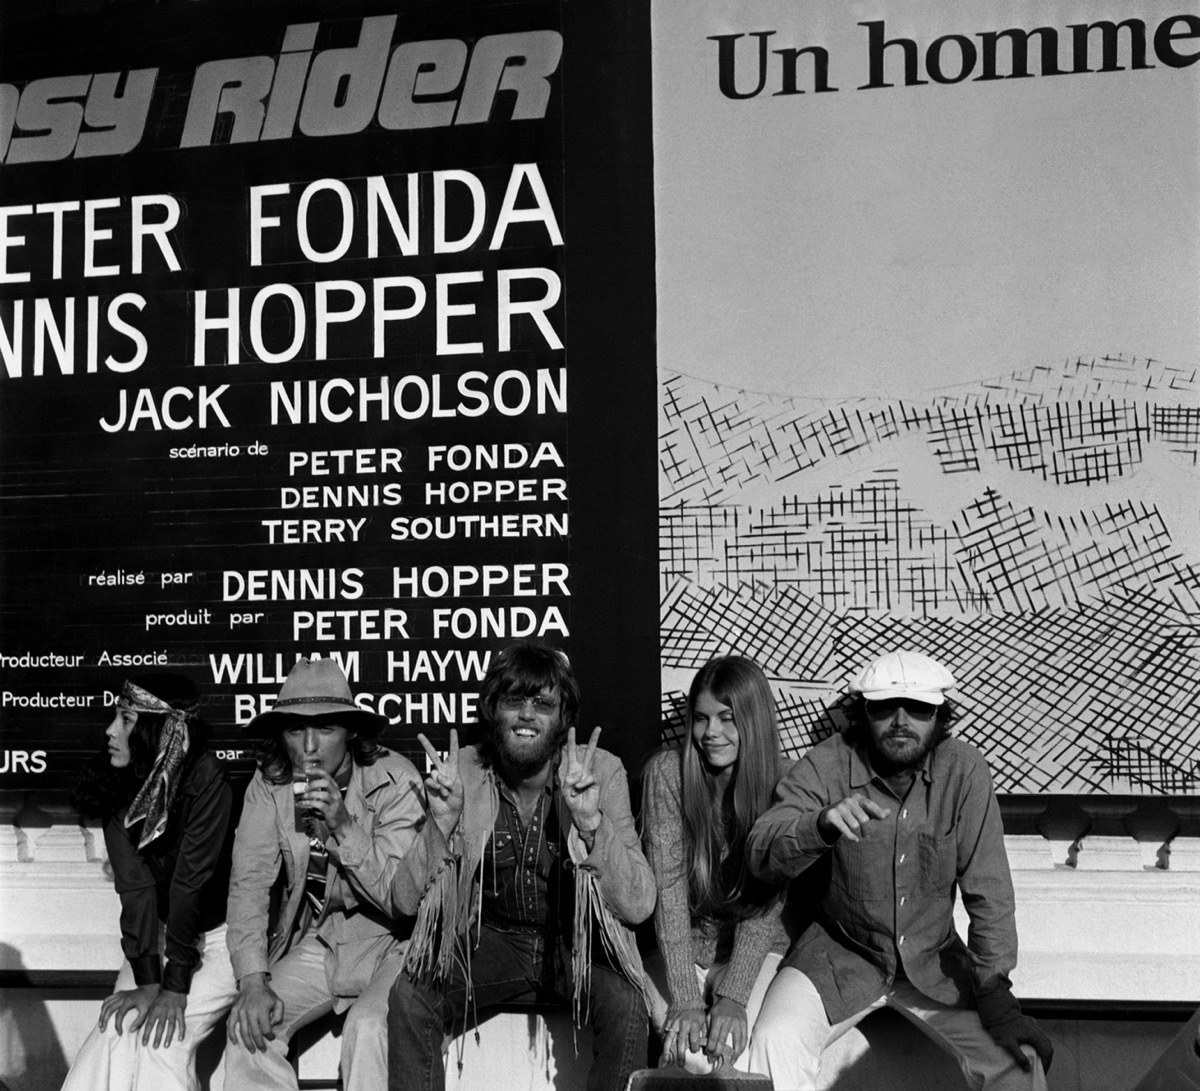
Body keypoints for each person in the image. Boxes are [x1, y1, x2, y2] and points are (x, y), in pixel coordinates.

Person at [744, 649, 1054, 1090]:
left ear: (940, 715)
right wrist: (821, 825)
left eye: (920, 709)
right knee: (775, 1040)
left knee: (1019, 1061)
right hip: (837, 956)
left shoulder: (963, 770)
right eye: (885, 707)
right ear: (863, 712)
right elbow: (761, 851)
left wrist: (994, 989)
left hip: (935, 965)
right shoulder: (827, 763)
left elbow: (989, 891)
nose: (901, 720)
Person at [386, 640, 656, 1091]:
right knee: (411, 996)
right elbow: (403, 900)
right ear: (494, 710)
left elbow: (639, 904)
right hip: (491, 944)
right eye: (515, 700)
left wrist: (591, 823)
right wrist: (441, 825)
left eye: (543, 703)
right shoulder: (465, 771)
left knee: (629, 1005)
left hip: (576, 948)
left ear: (563, 717)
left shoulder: (599, 772)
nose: (528, 715)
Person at [224, 657, 424, 1091]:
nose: (309, 746)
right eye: (295, 729)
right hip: (326, 937)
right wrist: (253, 980)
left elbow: (399, 898)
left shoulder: (396, 779)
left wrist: (343, 826)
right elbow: (249, 884)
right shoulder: (271, 783)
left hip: (398, 939)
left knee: (370, 1027)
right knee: (249, 1026)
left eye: (325, 729)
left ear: (351, 731)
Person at [62, 673, 235, 1091]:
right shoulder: (116, 781)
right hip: (158, 936)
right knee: (116, 1030)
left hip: (222, 940)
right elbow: (135, 889)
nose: (110, 731)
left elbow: (188, 885)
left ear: (159, 729)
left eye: (125, 719)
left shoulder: (206, 777)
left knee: (161, 1042)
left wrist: (173, 988)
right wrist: (148, 982)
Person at [641, 655, 791, 1075]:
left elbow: (767, 902)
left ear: (753, 721)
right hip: (681, 948)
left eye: (727, 719)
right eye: (702, 719)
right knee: (690, 1054)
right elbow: (668, 894)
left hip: (757, 950)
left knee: (730, 1046)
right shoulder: (668, 774)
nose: (711, 733)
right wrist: (687, 1000)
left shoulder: (784, 784)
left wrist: (734, 996)